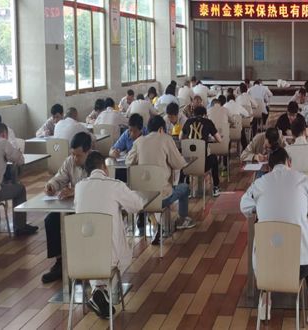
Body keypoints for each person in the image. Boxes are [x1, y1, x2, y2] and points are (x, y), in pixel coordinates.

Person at [240, 148, 308, 325]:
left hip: (265, 268)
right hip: (301, 266)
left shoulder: (259, 183)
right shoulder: (302, 180)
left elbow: (244, 207)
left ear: (269, 167)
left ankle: (265, 303)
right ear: (289, 163)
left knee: (268, 246)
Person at [75, 151, 144, 319]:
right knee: (121, 249)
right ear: (104, 167)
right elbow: (137, 205)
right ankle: (102, 291)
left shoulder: (79, 187)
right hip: (110, 258)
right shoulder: (115, 185)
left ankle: (99, 291)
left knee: (93, 245)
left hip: (80, 260)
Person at [126, 116, 196, 245]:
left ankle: (156, 223)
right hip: (162, 197)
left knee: (153, 192)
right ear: (161, 129)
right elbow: (179, 164)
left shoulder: (139, 142)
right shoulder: (166, 139)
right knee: (184, 188)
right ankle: (182, 220)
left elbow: (128, 162)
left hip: (141, 198)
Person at [42, 132, 92, 283]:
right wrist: (51, 185)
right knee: (51, 220)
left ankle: (84, 263)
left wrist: (75, 190)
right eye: (73, 154)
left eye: (78, 155)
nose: (75, 158)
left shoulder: (96, 162)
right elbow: (60, 177)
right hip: (72, 207)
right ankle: (60, 262)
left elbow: (95, 185)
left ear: (88, 151)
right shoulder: (70, 161)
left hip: (90, 208)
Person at [0, 123, 38, 236]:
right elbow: (20, 160)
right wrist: (17, 153)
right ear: (4, 134)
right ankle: (20, 226)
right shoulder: (3, 142)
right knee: (20, 189)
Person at [180, 106, 223, 197]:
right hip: (203, 165)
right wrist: (208, 139)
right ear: (205, 114)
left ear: (194, 114)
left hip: (188, 165)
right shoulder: (208, 122)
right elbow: (219, 140)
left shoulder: (188, 122)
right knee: (214, 158)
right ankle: (216, 187)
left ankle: (185, 188)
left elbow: (181, 138)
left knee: (185, 158)